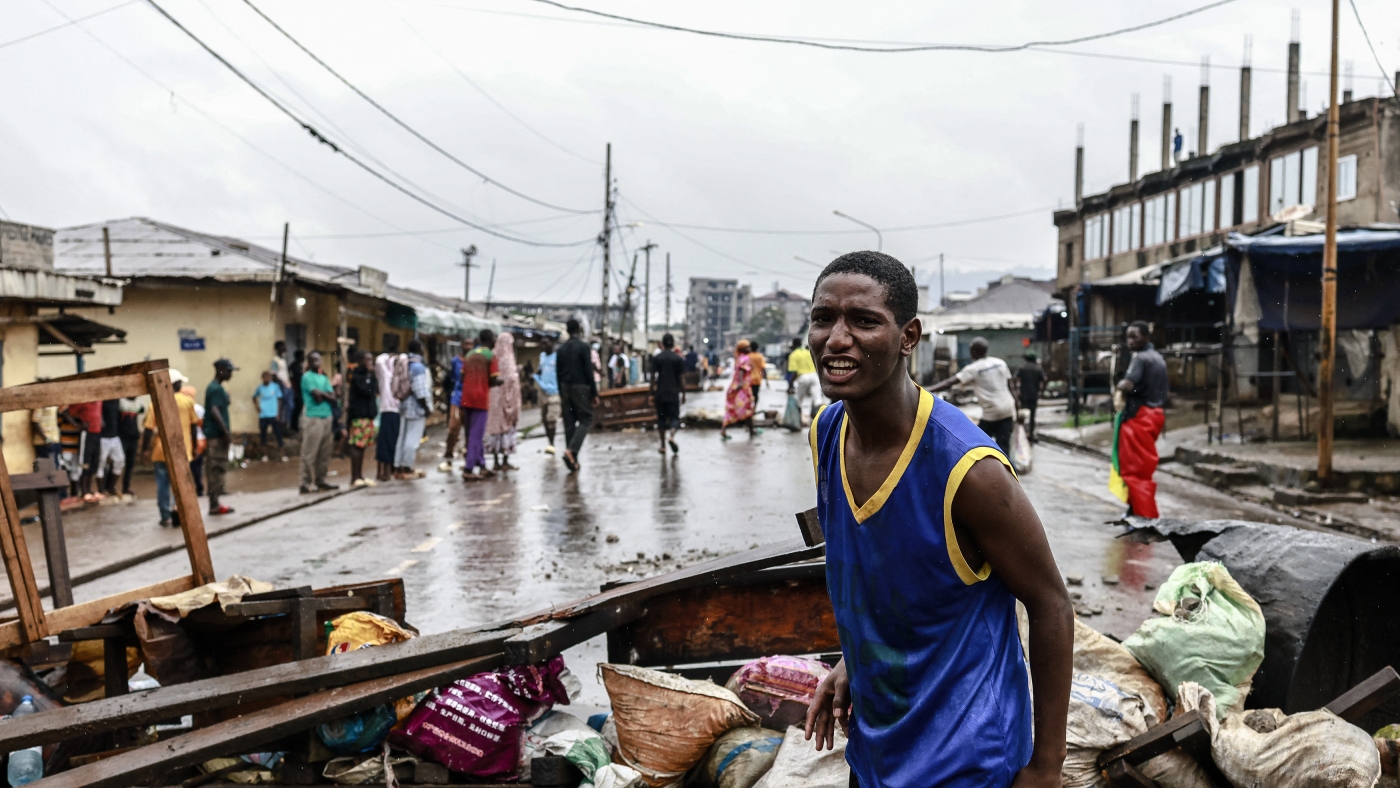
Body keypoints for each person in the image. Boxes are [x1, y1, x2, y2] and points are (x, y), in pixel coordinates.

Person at [800, 251, 1071, 788]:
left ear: (908, 336)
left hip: (966, 761)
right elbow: (888, 576)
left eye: (864, 320)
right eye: (823, 317)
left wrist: (1046, 766)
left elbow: (1051, 604)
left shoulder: (969, 470)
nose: (836, 338)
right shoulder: (826, 434)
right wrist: (852, 664)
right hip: (876, 750)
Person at [1111, 321, 1169, 519]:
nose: (1130, 341)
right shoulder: (1158, 358)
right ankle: (1134, 510)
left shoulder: (1140, 359)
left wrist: (1119, 384)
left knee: (1134, 470)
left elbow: (1127, 385)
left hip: (1139, 417)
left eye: (1134, 336)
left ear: (1146, 337)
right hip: (1155, 415)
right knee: (1141, 468)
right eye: (1128, 336)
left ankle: (1144, 515)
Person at [931, 337, 1019, 454]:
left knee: (977, 445)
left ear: (973, 351)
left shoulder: (973, 369)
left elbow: (949, 382)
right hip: (1008, 409)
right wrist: (1018, 407)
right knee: (1003, 446)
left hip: (991, 413)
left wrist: (926, 389)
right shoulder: (1000, 363)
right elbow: (1011, 387)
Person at [140, 369, 199, 527]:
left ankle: (165, 516)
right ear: (177, 384)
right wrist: (194, 446)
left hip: (161, 451)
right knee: (179, 484)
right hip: (182, 451)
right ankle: (176, 510)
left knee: (162, 484)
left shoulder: (155, 403)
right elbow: (194, 426)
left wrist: (145, 449)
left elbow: (148, 429)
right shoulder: (187, 402)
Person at [557, 319, 598, 473]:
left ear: (567, 330)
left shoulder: (561, 349)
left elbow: (558, 374)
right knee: (586, 418)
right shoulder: (583, 347)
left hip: (565, 388)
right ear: (579, 330)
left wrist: (561, 394)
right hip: (580, 387)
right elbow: (588, 371)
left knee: (569, 422)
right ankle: (572, 450)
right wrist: (594, 393)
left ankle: (573, 459)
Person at [459, 330, 499, 480]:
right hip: (481, 398)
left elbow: (462, 377)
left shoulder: (469, 355)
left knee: (471, 433)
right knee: (477, 435)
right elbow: (494, 379)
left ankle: (481, 465)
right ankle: (468, 469)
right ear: (490, 340)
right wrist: (495, 382)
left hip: (466, 397)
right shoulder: (490, 356)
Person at [299, 351, 338, 493]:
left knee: (324, 452)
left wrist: (324, 395)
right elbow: (316, 396)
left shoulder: (323, 378)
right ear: (308, 362)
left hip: (327, 416)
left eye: (318, 360)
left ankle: (321, 480)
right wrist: (326, 395)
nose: (317, 362)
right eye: (314, 360)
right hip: (313, 417)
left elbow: (333, 397)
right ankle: (305, 482)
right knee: (310, 452)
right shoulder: (307, 377)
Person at [394, 339, 432, 479]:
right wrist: (426, 408)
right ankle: (407, 467)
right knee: (412, 439)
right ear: (420, 348)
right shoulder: (418, 367)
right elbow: (420, 391)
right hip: (416, 408)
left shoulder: (405, 363)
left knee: (402, 437)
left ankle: (398, 467)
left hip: (404, 405)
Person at [203, 359, 237, 515]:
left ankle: (216, 501)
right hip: (217, 436)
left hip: (216, 435)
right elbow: (215, 410)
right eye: (229, 371)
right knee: (216, 468)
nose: (231, 374)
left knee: (216, 468)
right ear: (221, 370)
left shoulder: (217, 388)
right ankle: (214, 503)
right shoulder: (215, 388)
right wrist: (225, 432)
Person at [485, 332, 521, 472]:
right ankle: (505, 461)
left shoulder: (491, 355)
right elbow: (511, 380)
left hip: (493, 399)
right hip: (507, 400)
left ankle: (495, 462)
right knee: (507, 428)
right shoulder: (508, 359)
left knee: (494, 428)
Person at [346, 350, 378, 488]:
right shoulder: (357, 375)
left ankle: (360, 475)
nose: (370, 363)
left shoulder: (369, 375)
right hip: (359, 415)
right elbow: (367, 390)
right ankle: (355, 477)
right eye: (368, 360)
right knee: (357, 445)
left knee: (363, 446)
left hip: (368, 414)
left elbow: (375, 389)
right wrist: (371, 375)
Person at [650, 333, 686, 455]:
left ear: (662, 343)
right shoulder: (678, 359)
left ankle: (663, 446)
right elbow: (681, 378)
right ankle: (671, 435)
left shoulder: (657, 358)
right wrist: (684, 394)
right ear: (673, 344)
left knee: (661, 419)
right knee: (675, 418)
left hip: (660, 393)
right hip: (673, 393)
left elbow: (653, 378)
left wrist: (651, 393)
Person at [440, 342, 471, 471]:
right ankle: (449, 455)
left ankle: (468, 458)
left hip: (470, 399)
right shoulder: (455, 361)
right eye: (466, 344)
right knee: (453, 428)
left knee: (469, 431)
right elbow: (452, 378)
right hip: (457, 398)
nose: (468, 346)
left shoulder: (474, 361)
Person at [720, 340, 757, 440]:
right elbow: (741, 371)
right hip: (742, 388)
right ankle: (750, 430)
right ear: (742, 349)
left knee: (735, 409)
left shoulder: (739, 358)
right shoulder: (744, 358)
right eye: (747, 347)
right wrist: (740, 383)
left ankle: (751, 430)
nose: (749, 349)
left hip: (737, 387)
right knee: (744, 409)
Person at [374, 351, 402, 483]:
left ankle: (391, 469)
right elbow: (379, 360)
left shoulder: (401, 378)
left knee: (394, 442)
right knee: (385, 443)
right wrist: (390, 356)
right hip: (387, 411)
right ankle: (382, 471)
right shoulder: (386, 376)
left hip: (398, 413)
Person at [70, 400, 102, 501]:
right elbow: (67, 411)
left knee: (94, 462)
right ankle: (84, 490)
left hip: (97, 433)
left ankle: (89, 489)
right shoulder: (83, 401)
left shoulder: (99, 401)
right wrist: (76, 424)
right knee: (85, 462)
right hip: (86, 433)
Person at [534, 336, 560, 453]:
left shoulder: (558, 357)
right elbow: (540, 370)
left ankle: (552, 444)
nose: (544, 346)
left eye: (546, 343)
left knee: (551, 418)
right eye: (542, 344)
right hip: (543, 391)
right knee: (544, 418)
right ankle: (549, 441)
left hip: (555, 391)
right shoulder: (542, 357)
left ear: (552, 343)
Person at [787, 338, 823, 422]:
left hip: (803, 377)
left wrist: (790, 385)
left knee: (798, 401)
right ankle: (822, 419)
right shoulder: (808, 352)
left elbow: (794, 372)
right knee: (817, 400)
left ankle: (799, 421)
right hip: (814, 376)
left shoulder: (793, 355)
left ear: (793, 345)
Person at [1016, 351, 1048, 442]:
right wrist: (1041, 391)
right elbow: (1045, 379)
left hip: (1023, 395)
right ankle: (1031, 433)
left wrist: (1017, 391)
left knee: (1022, 415)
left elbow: (1015, 379)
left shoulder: (1022, 367)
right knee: (1032, 416)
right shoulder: (1038, 369)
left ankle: (1022, 434)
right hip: (1034, 395)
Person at [253, 370, 285, 460]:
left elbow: (280, 399)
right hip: (263, 415)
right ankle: (265, 455)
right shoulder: (260, 388)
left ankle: (282, 455)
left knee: (278, 434)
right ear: (262, 378)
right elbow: (254, 397)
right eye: (264, 377)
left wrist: (278, 413)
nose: (266, 378)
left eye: (268, 377)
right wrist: (257, 408)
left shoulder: (275, 387)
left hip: (273, 414)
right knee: (263, 435)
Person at [96, 398, 125, 497]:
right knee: (101, 462)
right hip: (103, 436)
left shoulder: (117, 400)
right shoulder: (102, 400)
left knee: (120, 460)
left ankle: (111, 487)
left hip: (115, 435)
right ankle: (101, 490)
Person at [117, 397, 143, 498]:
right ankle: (110, 487)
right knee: (118, 462)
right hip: (122, 436)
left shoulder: (138, 403)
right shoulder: (121, 403)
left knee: (130, 463)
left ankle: (126, 486)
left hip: (133, 436)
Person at [271, 341, 292, 426]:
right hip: (282, 386)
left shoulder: (282, 359)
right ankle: (281, 427)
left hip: (287, 385)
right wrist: (281, 386)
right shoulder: (275, 360)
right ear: (277, 348)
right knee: (282, 407)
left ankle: (285, 425)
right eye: (283, 347)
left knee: (289, 406)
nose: (285, 348)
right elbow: (274, 375)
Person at [288, 348, 306, 433]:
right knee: (296, 409)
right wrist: (294, 392)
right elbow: (292, 380)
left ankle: (295, 426)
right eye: (302, 356)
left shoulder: (299, 366)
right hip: (296, 392)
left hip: (300, 391)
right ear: (298, 356)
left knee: (299, 409)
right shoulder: (293, 366)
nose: (304, 357)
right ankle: (293, 426)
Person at [748, 340, 767, 406]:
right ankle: (754, 409)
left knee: (748, 395)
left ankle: (748, 409)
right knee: (755, 394)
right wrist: (767, 381)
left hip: (748, 379)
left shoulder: (748, 356)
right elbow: (763, 368)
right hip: (757, 379)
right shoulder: (760, 356)